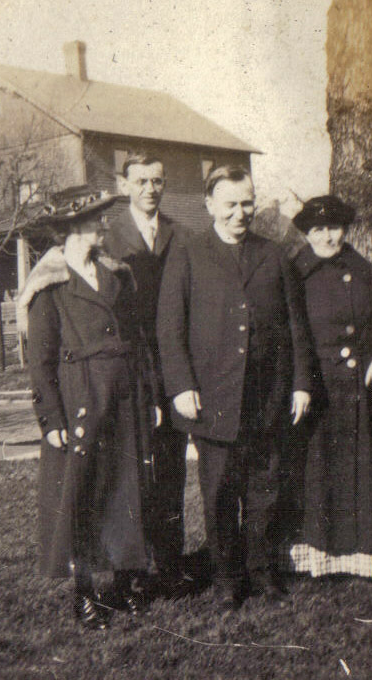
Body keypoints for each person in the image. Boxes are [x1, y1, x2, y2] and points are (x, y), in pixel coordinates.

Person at [156, 165, 313, 610]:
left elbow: (296, 326)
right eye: (230, 205)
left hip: (267, 396)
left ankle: (261, 571)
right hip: (214, 398)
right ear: (210, 206)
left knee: (265, 489)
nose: (240, 213)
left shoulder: (275, 253)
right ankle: (227, 577)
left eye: (247, 203)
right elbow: (170, 328)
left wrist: (300, 384)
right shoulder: (187, 254)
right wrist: (181, 385)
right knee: (221, 492)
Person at [17, 188, 152, 630]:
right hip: (79, 398)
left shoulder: (116, 274)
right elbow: (39, 360)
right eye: (97, 219)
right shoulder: (48, 284)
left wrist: (147, 395)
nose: (105, 225)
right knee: (80, 496)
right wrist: (50, 418)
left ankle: (129, 581)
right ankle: (85, 594)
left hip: (124, 394)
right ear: (73, 228)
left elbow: (138, 342)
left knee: (125, 489)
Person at [289, 196, 372, 580]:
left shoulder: (368, 271)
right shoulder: (294, 273)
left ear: (346, 229)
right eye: (318, 229)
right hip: (319, 390)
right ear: (307, 233)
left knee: (365, 472)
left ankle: (368, 555)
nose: (327, 236)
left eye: (334, 227)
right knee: (320, 473)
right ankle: (319, 560)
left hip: (366, 390)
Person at [104, 152, 189, 596]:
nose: (150, 189)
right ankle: (131, 570)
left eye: (157, 181)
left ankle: (172, 565)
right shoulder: (108, 237)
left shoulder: (181, 234)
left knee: (172, 468)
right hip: (132, 368)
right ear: (125, 185)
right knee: (133, 471)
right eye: (141, 181)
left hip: (173, 364)